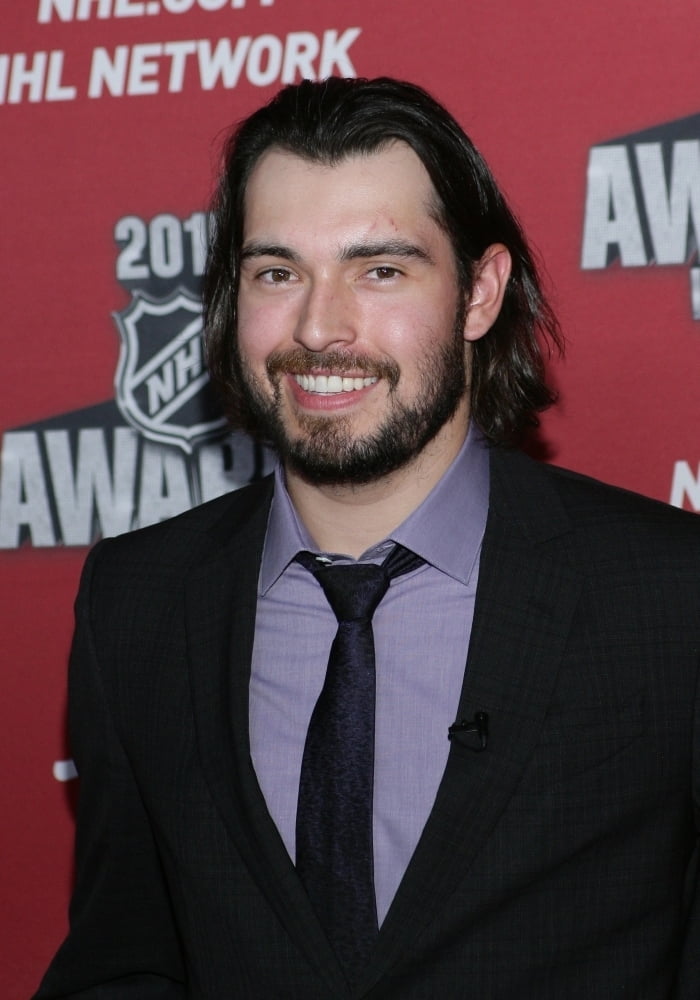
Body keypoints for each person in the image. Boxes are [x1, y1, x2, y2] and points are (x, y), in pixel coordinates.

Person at [35, 77, 700, 999]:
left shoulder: (671, 597)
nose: (318, 327)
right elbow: (123, 961)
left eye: (379, 270)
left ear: (479, 292)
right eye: (278, 272)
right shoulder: (138, 600)